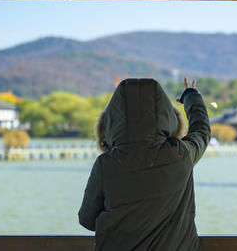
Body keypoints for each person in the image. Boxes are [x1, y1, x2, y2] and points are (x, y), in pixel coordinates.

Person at [78, 77, 210, 250]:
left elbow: (87, 219)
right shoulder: (181, 154)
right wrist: (191, 96)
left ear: (111, 123)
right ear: (168, 118)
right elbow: (201, 130)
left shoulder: (107, 164)